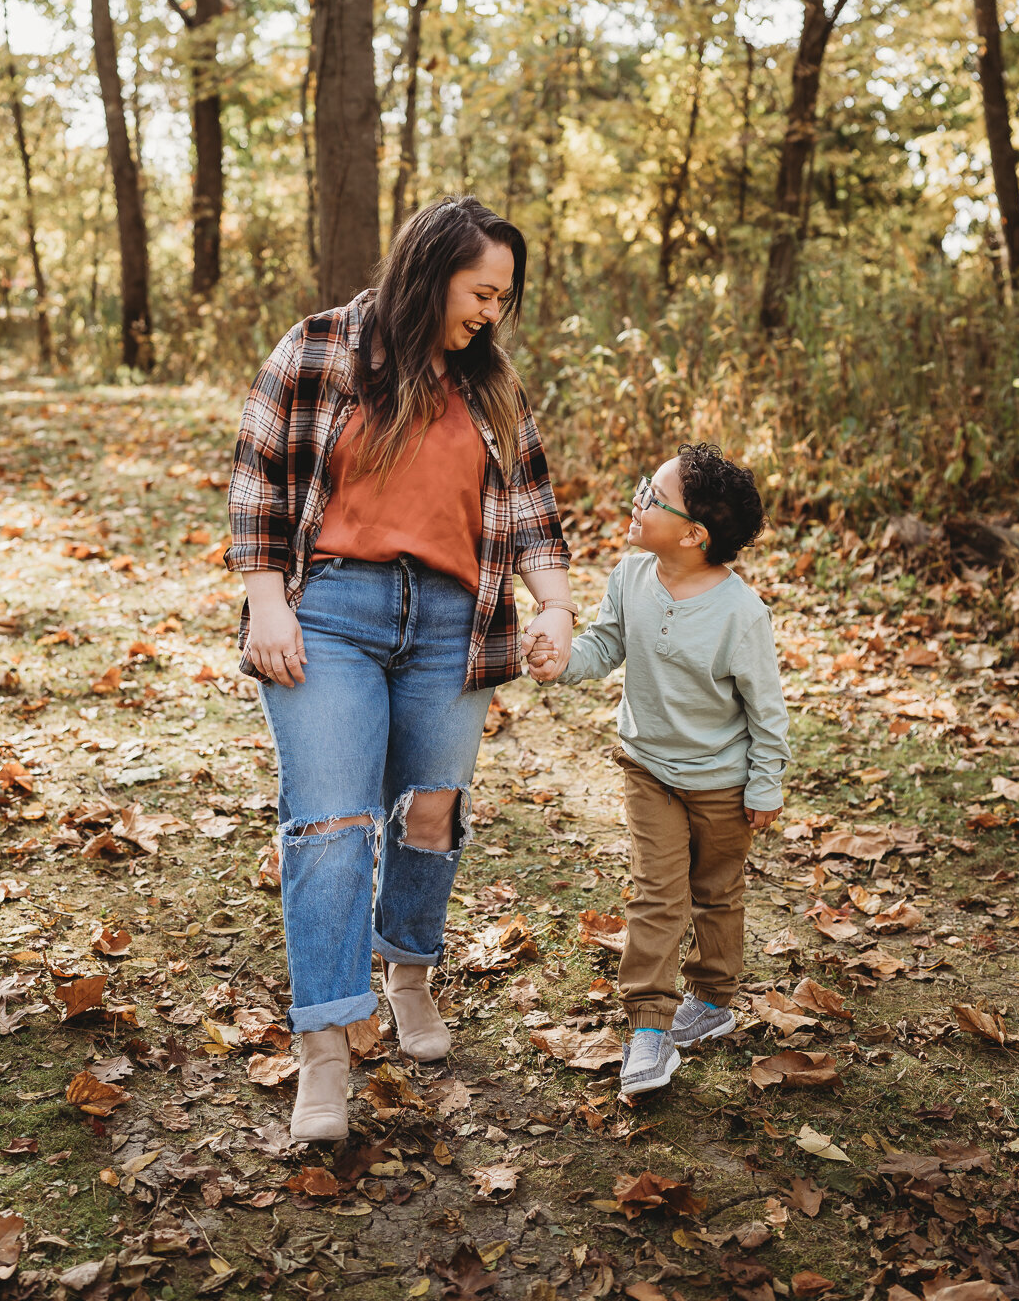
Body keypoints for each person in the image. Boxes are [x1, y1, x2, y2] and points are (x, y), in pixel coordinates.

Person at [225, 196, 575, 1141]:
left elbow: (533, 504)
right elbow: (257, 479)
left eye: (503, 298)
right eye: (481, 292)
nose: (491, 313)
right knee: (330, 824)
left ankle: (409, 972)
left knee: (431, 812)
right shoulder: (319, 348)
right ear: (431, 271)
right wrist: (266, 604)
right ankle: (326, 1050)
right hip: (332, 613)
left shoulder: (491, 382)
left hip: (453, 627)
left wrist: (553, 604)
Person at [526, 443, 789, 1098]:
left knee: (717, 893)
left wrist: (763, 783)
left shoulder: (739, 613)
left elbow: (765, 707)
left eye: (652, 495)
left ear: (693, 535)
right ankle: (648, 1030)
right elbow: (607, 642)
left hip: (722, 783)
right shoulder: (630, 575)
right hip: (647, 768)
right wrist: (563, 661)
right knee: (656, 896)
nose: (636, 499)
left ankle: (713, 998)